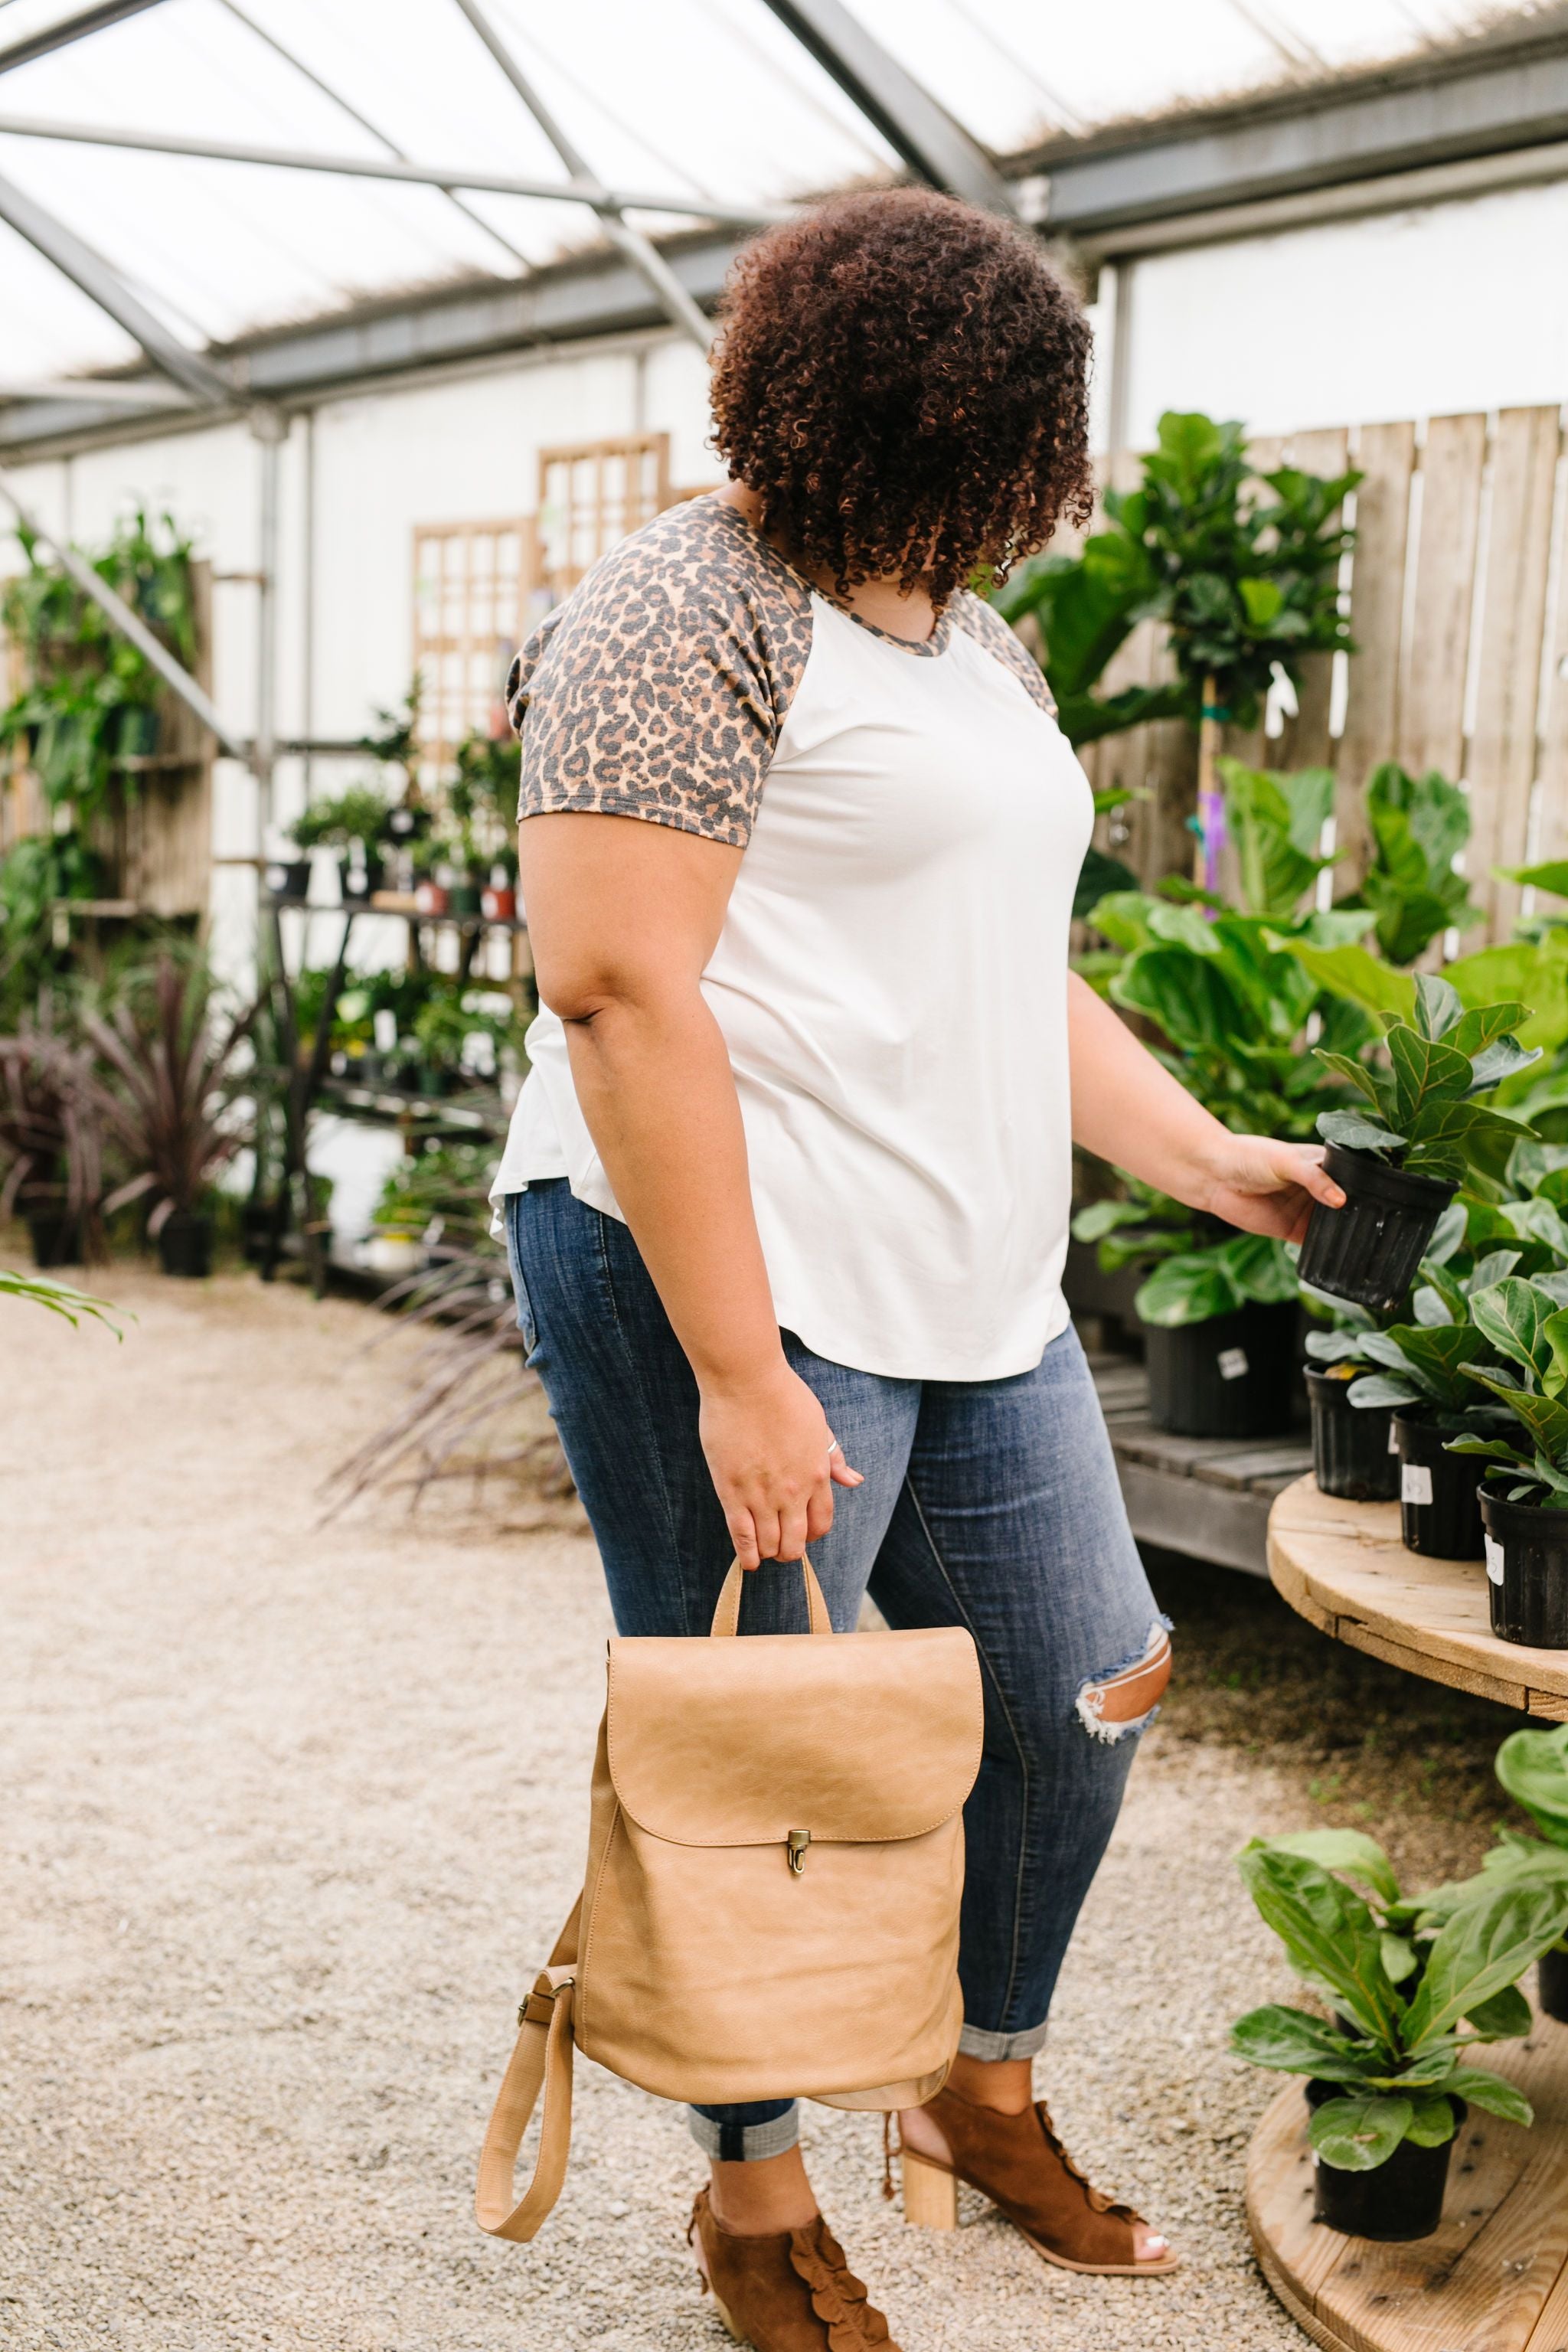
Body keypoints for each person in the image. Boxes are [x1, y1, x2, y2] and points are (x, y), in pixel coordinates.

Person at [491, 187, 1341, 2351]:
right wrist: (738, 1373)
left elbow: (999, 959)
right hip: (727, 1268)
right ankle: (758, 2208)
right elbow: (613, 989)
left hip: (968, 1270)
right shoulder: (678, 611)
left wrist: (1194, 1149)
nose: (1031, 479)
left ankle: (980, 2097)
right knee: (770, 1748)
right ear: (927, 413)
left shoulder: (967, 634)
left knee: (1090, 1684)